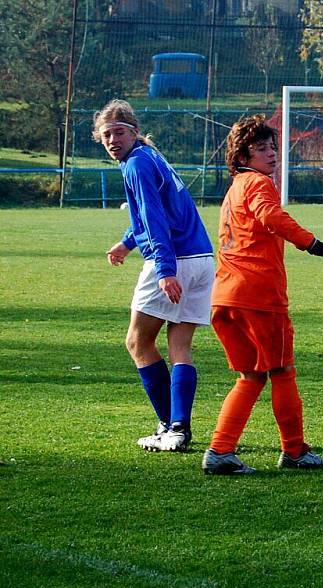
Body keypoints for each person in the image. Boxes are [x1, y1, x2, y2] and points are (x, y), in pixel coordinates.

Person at [202, 115, 323, 475]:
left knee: (250, 377)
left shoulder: (234, 189)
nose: (271, 154)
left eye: (272, 147)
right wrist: (313, 244)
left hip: (225, 296)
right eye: (261, 148)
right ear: (242, 156)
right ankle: (294, 450)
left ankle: (220, 451)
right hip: (258, 296)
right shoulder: (259, 185)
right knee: (282, 371)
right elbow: (271, 217)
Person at [97, 99, 215, 453]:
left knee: (137, 342)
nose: (113, 140)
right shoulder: (151, 157)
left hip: (174, 259)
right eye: (106, 135)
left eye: (119, 132)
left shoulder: (136, 164)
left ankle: (169, 425)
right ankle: (178, 430)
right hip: (203, 258)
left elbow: (154, 217)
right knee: (179, 346)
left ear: (133, 132)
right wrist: (126, 243)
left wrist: (164, 270)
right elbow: (151, 213)